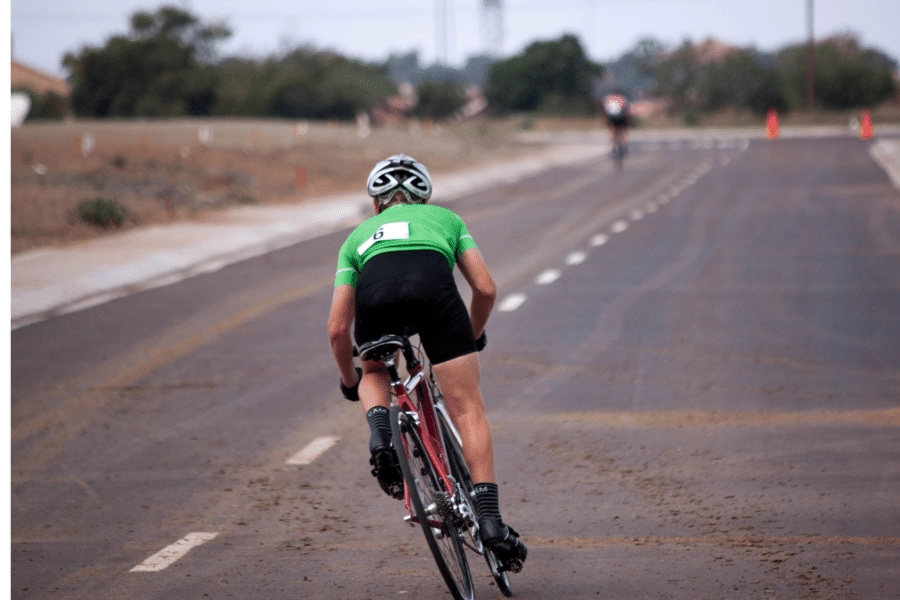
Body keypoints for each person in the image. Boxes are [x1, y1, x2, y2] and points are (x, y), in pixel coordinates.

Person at [327, 154, 526, 567]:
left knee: (377, 369)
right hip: (434, 294)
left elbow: (336, 329)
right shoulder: (446, 219)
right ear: (423, 199)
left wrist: (351, 380)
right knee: (468, 409)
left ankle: (380, 429)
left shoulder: (354, 239)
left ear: (375, 204)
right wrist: (469, 336)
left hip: (376, 298)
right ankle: (490, 520)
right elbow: (485, 289)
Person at [602, 91, 630, 156]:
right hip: (621, 116)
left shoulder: (608, 98)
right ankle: (624, 145)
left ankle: (613, 147)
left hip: (611, 117)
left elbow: (605, 109)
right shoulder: (622, 98)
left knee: (612, 130)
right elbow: (626, 108)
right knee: (623, 130)